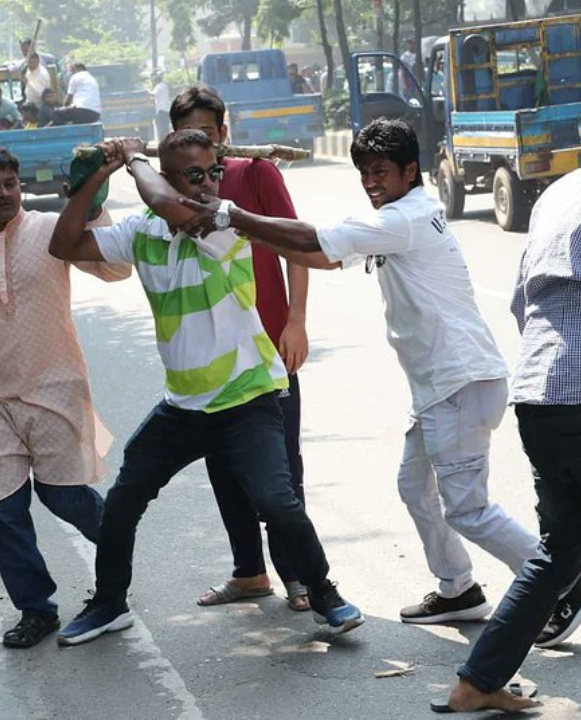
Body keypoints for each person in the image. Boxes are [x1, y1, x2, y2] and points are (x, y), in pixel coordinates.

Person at [181, 118, 575, 628]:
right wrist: (246, 231)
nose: (371, 181)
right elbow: (319, 255)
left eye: (381, 171)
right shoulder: (402, 215)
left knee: (468, 510)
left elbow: (314, 238)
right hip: (444, 385)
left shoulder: (402, 219)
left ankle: (559, 581)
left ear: (411, 170)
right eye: (364, 172)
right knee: (414, 486)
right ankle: (459, 588)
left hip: (457, 382)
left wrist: (234, 215)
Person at [49, 131, 364, 646]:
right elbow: (64, 244)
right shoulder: (142, 229)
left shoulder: (222, 222)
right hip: (185, 407)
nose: (210, 182)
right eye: (194, 175)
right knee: (125, 499)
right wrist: (96, 179)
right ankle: (109, 603)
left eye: (213, 170)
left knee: (278, 503)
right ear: (171, 176)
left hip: (248, 398)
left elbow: (163, 200)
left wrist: (134, 158)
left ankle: (325, 593)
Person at [0, 147, 131, 649]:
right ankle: (35, 609)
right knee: (5, 510)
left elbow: (116, 270)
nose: (5, 192)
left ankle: (116, 567)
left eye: (11, 182)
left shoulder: (51, 229)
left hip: (55, 389)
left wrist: (95, 208)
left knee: (63, 495)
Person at [437, 169, 581, 714]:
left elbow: (521, 301)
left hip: (540, 390)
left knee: (559, 551)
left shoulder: (561, 192)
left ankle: (477, 682)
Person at [168, 84, 314, 613]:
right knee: (224, 469)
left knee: (281, 470)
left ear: (223, 134)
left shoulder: (256, 174)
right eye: (189, 136)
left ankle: (298, 575)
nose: (202, 147)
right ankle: (249, 573)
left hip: (269, 350)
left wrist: (296, 320)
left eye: (209, 133)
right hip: (213, 359)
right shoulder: (174, 188)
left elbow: (298, 245)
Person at [152, 72, 172, 141]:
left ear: (156, 80)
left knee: (161, 126)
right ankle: (167, 140)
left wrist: (146, 92)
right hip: (166, 109)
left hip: (161, 109)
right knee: (165, 126)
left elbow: (153, 94)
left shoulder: (158, 87)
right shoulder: (165, 86)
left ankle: (162, 140)